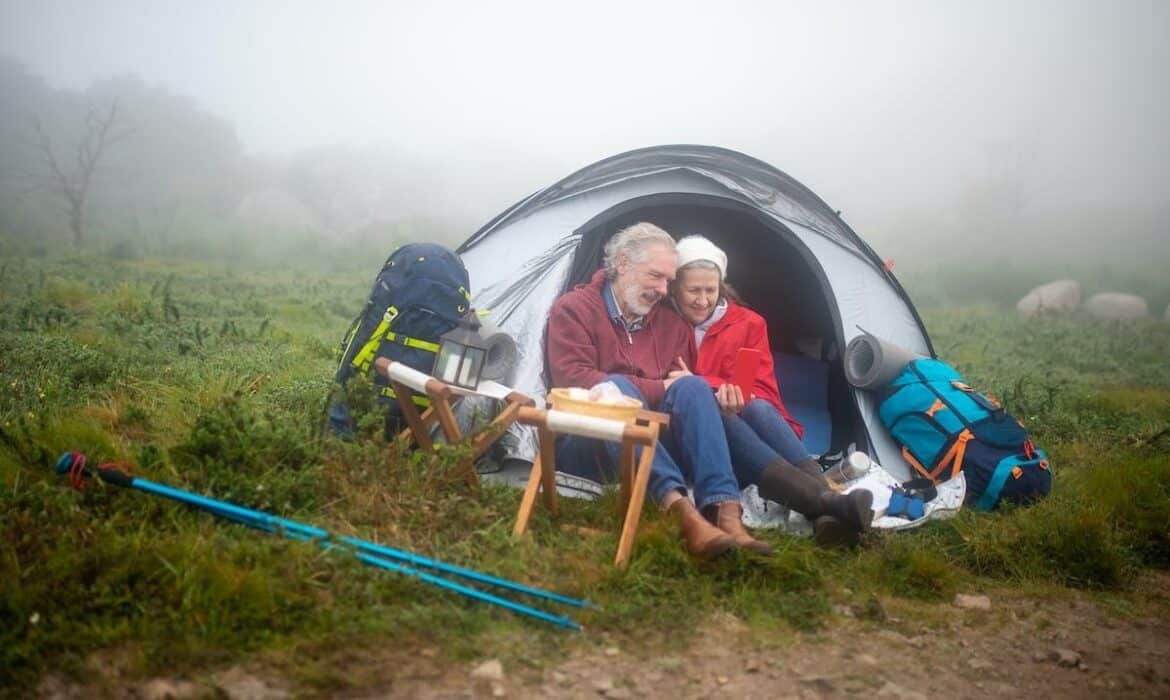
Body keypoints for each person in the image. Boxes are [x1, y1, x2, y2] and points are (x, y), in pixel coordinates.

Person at [545, 222, 771, 558]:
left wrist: (678, 389)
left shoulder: (671, 326)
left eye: (668, 279)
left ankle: (724, 511)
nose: (665, 289)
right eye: (656, 276)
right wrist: (657, 386)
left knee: (693, 385)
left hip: (648, 448)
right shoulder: (574, 309)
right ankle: (681, 511)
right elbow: (575, 379)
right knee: (614, 387)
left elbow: (677, 394)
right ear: (622, 265)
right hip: (588, 441)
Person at [670, 235, 873, 546]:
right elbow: (672, 383)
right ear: (675, 288)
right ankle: (827, 504)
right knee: (718, 416)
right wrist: (714, 390)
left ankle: (825, 513)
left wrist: (734, 396)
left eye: (710, 290)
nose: (702, 300)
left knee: (757, 408)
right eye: (693, 290)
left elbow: (762, 389)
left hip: (753, 429)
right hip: (696, 434)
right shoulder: (663, 324)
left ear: (721, 286)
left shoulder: (749, 324)